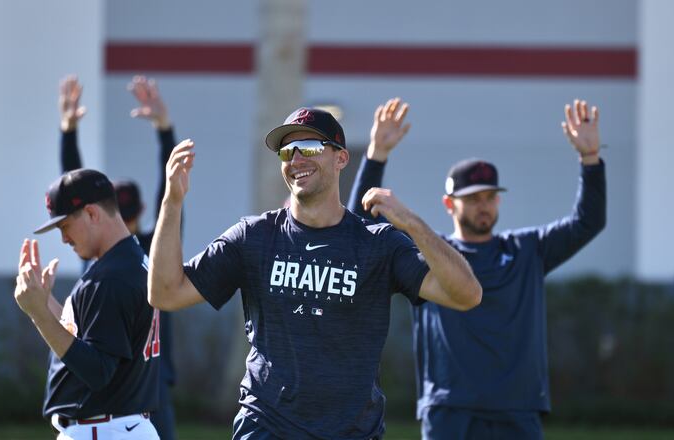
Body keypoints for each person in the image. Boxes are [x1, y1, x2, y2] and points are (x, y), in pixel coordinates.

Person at [148, 107, 482, 439]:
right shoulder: (253, 237)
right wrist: (172, 201)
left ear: (341, 158)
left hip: (351, 432)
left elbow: (466, 294)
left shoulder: (378, 244)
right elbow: (165, 293)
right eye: (286, 151)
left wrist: (412, 223)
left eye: (308, 147)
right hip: (266, 428)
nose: (295, 159)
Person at [349, 98, 607, 439]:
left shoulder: (527, 250)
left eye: (489, 197)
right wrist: (376, 154)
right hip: (449, 411)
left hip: (517, 408)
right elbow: (359, 229)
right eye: (471, 199)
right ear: (449, 204)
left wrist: (590, 159)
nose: (482, 206)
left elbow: (587, 222)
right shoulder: (429, 253)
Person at [59, 74, 178, 439]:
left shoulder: (103, 255)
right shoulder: (145, 250)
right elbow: (170, 198)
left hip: (125, 389)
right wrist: (164, 130)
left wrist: (68, 133)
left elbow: (71, 192)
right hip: (145, 386)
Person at [14, 169, 161, 439]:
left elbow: (97, 371)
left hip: (105, 429)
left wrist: (38, 314)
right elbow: (86, 337)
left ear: (92, 214)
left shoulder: (110, 278)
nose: (63, 238)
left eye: (65, 225)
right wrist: (45, 303)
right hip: (120, 427)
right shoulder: (128, 261)